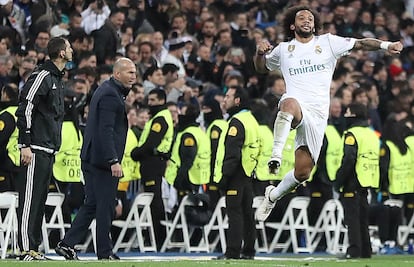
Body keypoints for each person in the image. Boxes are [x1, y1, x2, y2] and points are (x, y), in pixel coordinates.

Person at [254, 5, 403, 222]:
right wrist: (259, 54)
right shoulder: (284, 49)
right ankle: (275, 155)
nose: (307, 20)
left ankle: (273, 195)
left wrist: (386, 45)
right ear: (292, 25)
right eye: (301, 18)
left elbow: (360, 43)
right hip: (297, 106)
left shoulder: (328, 43)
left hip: (318, 115)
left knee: (303, 172)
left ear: (315, 24)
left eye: (310, 18)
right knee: (288, 103)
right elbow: (261, 68)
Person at [55, 57, 136, 260]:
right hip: (102, 161)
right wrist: (113, 161)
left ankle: (67, 244)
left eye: (135, 72)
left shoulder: (107, 89)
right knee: (106, 204)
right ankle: (104, 253)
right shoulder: (111, 95)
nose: (133, 76)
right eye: (129, 72)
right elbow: (105, 130)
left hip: (91, 158)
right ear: (117, 74)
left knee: (91, 204)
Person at [14, 37, 73, 261]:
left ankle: (34, 248)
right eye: (68, 47)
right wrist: (25, 144)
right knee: (29, 200)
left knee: (39, 200)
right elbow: (26, 108)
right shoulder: (43, 76)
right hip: (35, 148)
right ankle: (25, 249)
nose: (71, 50)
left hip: (48, 149)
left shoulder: (57, 79)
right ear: (60, 53)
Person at [215, 86, 260, 260]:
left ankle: (232, 251)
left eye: (228, 96)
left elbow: (233, 151)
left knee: (234, 212)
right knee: (247, 213)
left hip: (236, 173)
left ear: (237, 100)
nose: (224, 100)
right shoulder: (251, 119)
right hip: (248, 171)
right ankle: (249, 250)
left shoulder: (236, 121)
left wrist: (225, 176)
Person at [334, 103, 380, 259]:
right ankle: (365, 251)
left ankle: (354, 250)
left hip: (353, 180)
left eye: (347, 112)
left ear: (353, 115)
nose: (345, 115)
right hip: (367, 180)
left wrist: (339, 181)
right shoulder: (372, 134)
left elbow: (349, 159)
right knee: (362, 218)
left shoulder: (351, 134)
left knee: (352, 218)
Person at [130, 88, 174, 251]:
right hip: (155, 163)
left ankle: (158, 239)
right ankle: (156, 238)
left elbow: (151, 143)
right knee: (154, 201)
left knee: (154, 202)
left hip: (153, 163)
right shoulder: (160, 117)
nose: (150, 103)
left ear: (162, 101)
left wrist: (136, 153)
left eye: (154, 100)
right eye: (149, 100)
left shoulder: (160, 119)